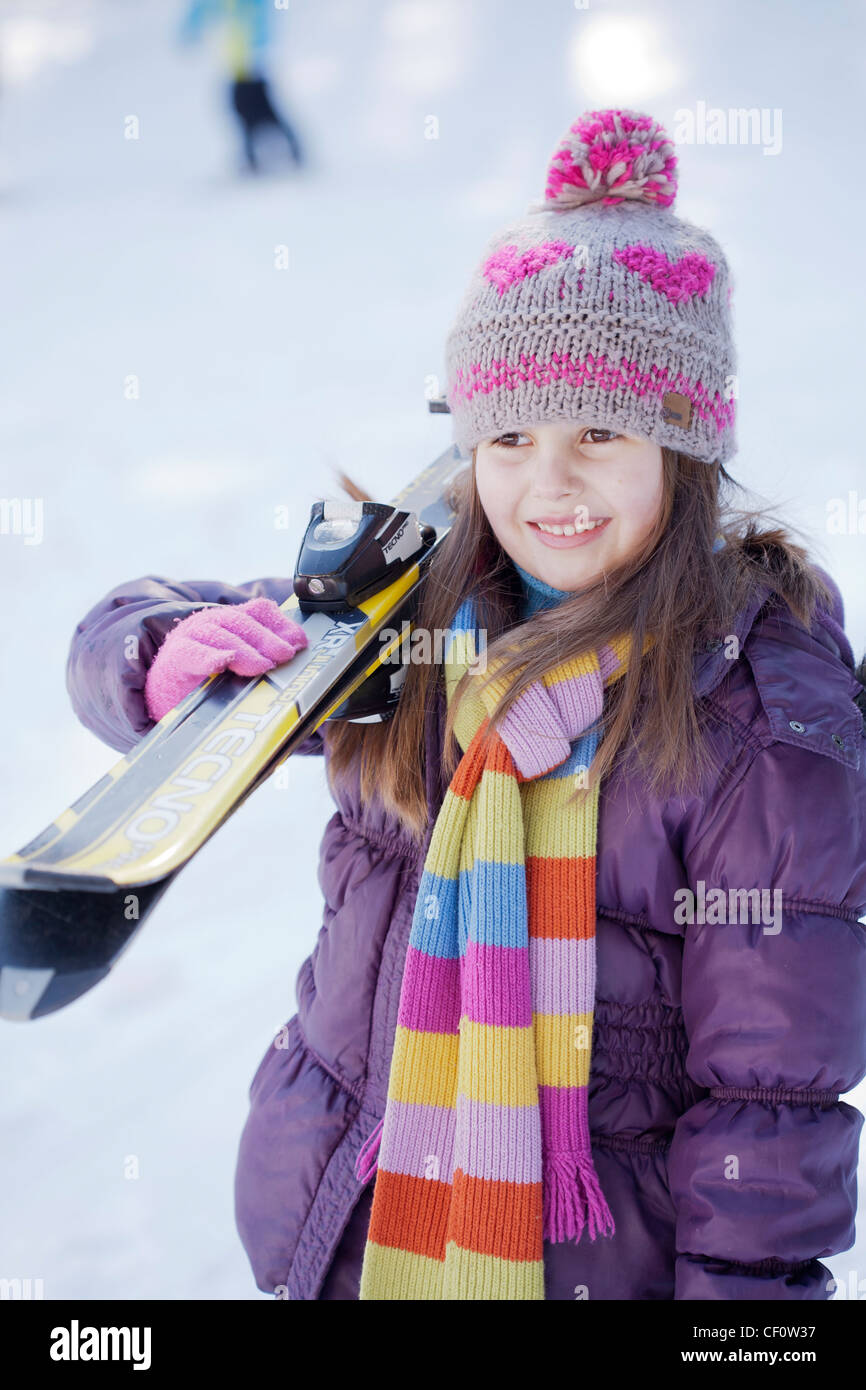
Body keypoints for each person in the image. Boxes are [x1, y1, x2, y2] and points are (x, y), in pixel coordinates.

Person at [65, 108, 866, 1300]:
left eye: (601, 430)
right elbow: (116, 638)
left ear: (685, 452)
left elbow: (770, 1111)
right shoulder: (404, 622)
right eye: (508, 435)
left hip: (594, 1265)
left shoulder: (756, 725)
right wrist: (160, 650)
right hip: (354, 1232)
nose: (549, 481)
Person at [178, 0, 304, 173]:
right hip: (237, 62)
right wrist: (191, 30)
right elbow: (202, 8)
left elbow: (263, 17)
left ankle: (279, 154)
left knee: (256, 110)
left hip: (253, 61)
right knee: (250, 111)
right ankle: (261, 157)